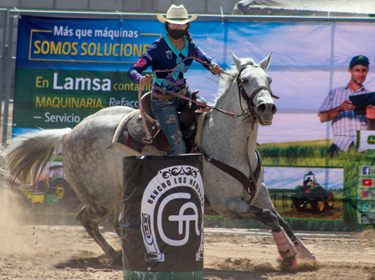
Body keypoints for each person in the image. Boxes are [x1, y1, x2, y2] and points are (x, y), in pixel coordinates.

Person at [127, 4, 223, 155]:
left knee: (210, 115)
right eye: (174, 24)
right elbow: (132, 71)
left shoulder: (190, 46)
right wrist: (141, 79)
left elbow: (206, 60)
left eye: (181, 25)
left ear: (187, 26)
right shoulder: (157, 47)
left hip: (185, 96)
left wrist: (214, 66)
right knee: (179, 148)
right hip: (163, 103)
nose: (178, 28)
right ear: (167, 25)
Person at [318, 55, 374, 157]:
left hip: (362, 148)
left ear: (367, 71)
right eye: (357, 70)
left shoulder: (371, 96)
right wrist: (339, 108)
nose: (361, 74)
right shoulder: (334, 93)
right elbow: (322, 118)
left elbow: (372, 130)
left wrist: (371, 119)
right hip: (340, 145)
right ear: (350, 70)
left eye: (364, 71)